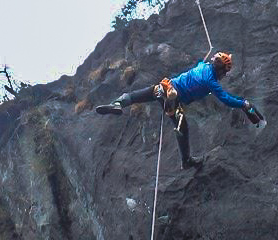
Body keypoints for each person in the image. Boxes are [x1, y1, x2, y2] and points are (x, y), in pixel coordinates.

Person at [95, 51, 264, 169]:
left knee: (133, 96)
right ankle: (186, 161)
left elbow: (200, 62)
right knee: (183, 128)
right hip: (173, 97)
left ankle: (117, 104)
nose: (224, 76)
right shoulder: (211, 82)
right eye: (225, 72)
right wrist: (242, 104)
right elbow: (226, 99)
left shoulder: (202, 66)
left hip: (163, 86)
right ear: (220, 69)